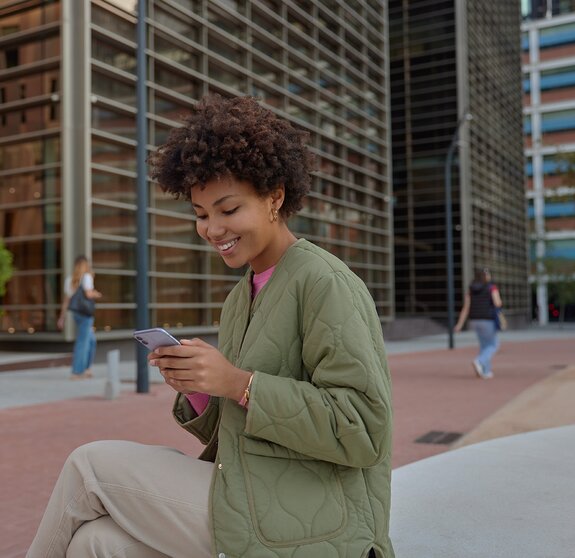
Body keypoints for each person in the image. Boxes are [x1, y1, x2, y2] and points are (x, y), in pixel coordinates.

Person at [27, 95, 394, 558]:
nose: (213, 229)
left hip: (320, 518)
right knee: (94, 543)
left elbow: (365, 430)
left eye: (228, 210)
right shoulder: (243, 295)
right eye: (201, 215)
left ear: (274, 197)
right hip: (257, 490)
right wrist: (202, 388)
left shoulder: (326, 282)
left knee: (88, 467)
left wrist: (239, 383)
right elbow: (247, 428)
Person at [57, 255, 102, 379]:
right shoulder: (87, 277)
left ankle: (86, 368)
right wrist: (96, 294)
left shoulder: (69, 280)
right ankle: (77, 371)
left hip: (76, 314)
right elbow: (88, 294)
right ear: (86, 265)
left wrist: (62, 317)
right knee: (83, 342)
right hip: (86, 314)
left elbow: (66, 301)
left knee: (91, 340)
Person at [454, 267, 503, 379]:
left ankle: (485, 371)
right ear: (486, 276)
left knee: (484, 346)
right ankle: (479, 361)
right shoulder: (491, 287)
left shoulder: (471, 289)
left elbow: (466, 308)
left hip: (474, 320)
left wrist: (459, 325)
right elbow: (497, 303)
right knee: (493, 345)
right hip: (488, 320)